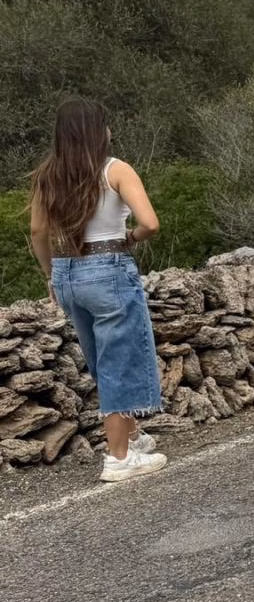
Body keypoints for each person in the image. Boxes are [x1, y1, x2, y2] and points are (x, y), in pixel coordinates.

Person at [27, 98, 168, 483]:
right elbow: (150, 223)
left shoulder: (46, 175)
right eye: (105, 125)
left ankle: (133, 438)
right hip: (108, 267)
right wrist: (131, 238)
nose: (110, 131)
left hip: (66, 271)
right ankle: (119, 458)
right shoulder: (115, 170)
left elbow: (38, 232)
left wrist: (50, 275)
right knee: (118, 361)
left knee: (99, 359)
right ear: (95, 131)